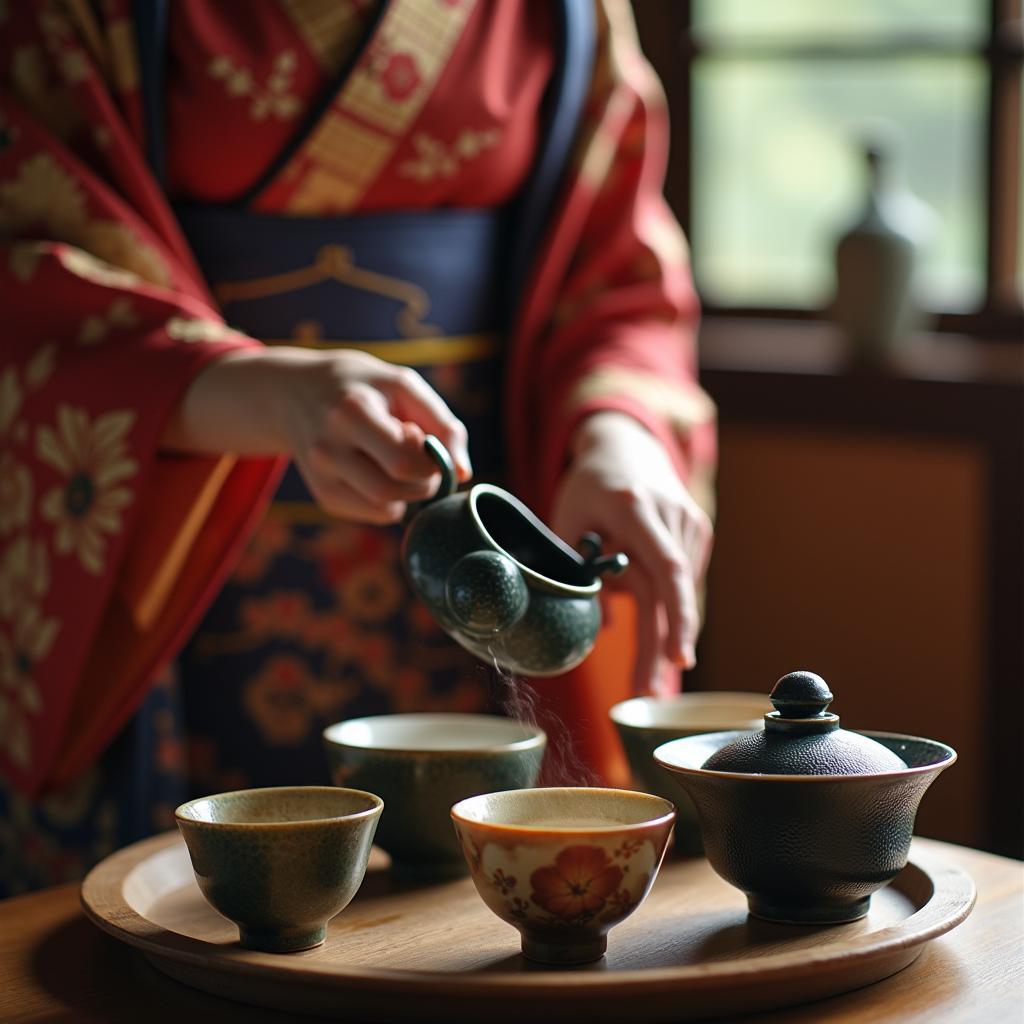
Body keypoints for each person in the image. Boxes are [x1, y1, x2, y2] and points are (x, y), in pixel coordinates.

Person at [0, 0, 716, 894]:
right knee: (182, 925)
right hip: (185, 541)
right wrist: (266, 393)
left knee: (469, 912)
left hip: (490, 542)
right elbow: (27, 261)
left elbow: (616, 270)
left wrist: (619, 439)